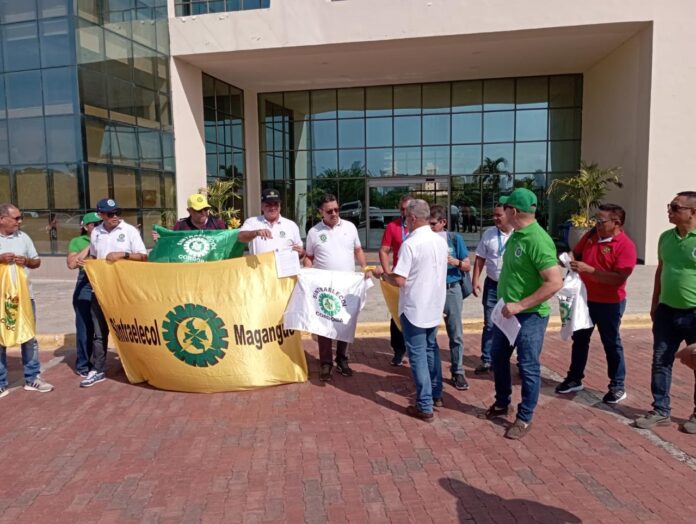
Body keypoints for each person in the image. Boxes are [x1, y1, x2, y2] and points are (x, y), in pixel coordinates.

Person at [481, 188, 562, 439]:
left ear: (513, 211)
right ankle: (502, 402)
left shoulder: (537, 239)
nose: (502, 212)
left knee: (527, 366)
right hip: (507, 313)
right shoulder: (517, 235)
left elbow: (554, 282)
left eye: (505, 208)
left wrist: (520, 305)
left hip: (530, 316)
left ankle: (525, 416)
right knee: (498, 357)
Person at [555, 204, 637, 404]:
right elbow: (577, 252)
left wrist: (588, 270)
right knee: (580, 339)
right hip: (585, 300)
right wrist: (568, 260)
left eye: (601, 221)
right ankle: (574, 378)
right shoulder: (592, 235)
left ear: (616, 223)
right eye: (596, 220)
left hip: (610, 303)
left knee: (611, 343)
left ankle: (617, 386)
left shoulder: (625, 246)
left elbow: (618, 278)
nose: (596, 224)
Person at [382, 199, 448, 422]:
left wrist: (382, 275)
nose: (405, 223)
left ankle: (425, 404)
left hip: (415, 308)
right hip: (433, 305)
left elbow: (399, 279)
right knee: (431, 350)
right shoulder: (439, 240)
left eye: (406, 218)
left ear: (412, 218)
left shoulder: (411, 243)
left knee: (419, 355)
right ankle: (436, 393)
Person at [635, 191, 696, 432]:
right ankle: (660, 410)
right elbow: (661, 271)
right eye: (669, 206)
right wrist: (654, 305)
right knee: (661, 361)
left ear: (692, 212)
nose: (669, 211)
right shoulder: (665, 238)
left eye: (675, 207)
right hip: (666, 312)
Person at [80, 198, 148, 388]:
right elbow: (94, 256)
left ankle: (138, 366)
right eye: (110, 214)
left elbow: (143, 257)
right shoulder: (96, 233)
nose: (115, 217)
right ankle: (99, 369)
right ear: (100, 215)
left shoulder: (129, 231)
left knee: (131, 330)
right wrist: (88, 264)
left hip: (125, 292)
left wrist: (123, 255)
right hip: (101, 290)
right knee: (99, 332)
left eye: (118, 212)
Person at [304, 194, 371, 381]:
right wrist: (306, 272)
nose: (334, 213)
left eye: (336, 209)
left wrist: (365, 267)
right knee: (324, 324)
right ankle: (326, 363)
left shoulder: (350, 228)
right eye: (329, 211)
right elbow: (309, 256)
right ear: (321, 212)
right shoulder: (313, 232)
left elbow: (358, 250)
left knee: (345, 323)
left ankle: (342, 359)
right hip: (324, 287)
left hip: (347, 286)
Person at [0, 203, 53, 397]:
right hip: (1, 299)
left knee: (29, 337)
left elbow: (36, 261)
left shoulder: (23, 237)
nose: (20, 221)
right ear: (2, 219)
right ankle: (0, 382)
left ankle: (33, 378)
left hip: (24, 297)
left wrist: (27, 261)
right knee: (0, 337)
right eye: (16, 218)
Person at [429, 204, 471, 391]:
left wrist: (455, 262)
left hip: (452, 289)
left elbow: (467, 265)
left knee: (455, 333)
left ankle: (458, 370)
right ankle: (433, 372)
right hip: (431, 291)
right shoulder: (425, 240)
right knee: (431, 334)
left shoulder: (455, 239)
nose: (430, 227)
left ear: (443, 222)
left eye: (433, 224)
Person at [471, 202, 513, 375]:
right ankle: (487, 359)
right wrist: (475, 280)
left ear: (509, 215)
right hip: (492, 285)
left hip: (512, 288)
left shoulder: (519, 234)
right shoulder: (488, 234)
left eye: (499, 215)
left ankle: (509, 359)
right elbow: (480, 258)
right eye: (493, 215)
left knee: (512, 324)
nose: (495, 218)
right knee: (490, 323)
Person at [66, 212, 102, 378]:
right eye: (93, 224)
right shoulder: (77, 241)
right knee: (85, 327)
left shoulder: (108, 237)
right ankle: (83, 365)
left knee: (102, 328)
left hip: (104, 282)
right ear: (86, 227)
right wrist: (90, 245)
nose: (97, 226)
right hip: (86, 283)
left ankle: (100, 362)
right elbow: (72, 264)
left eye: (100, 222)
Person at [379, 194, 413, 367]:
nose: (404, 212)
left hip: (417, 279)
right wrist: (387, 272)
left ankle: (415, 349)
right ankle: (398, 350)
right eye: (401, 209)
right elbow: (384, 250)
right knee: (396, 313)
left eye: (407, 209)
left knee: (416, 313)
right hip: (399, 277)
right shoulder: (393, 226)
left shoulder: (421, 226)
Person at [240, 188, 304, 256]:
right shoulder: (252, 222)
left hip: (284, 266)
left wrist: (302, 253)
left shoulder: (291, 225)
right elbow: (241, 237)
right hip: (260, 266)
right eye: (269, 204)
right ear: (262, 206)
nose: (272, 208)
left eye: (276, 204)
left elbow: (300, 252)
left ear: (280, 206)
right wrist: (256, 233)